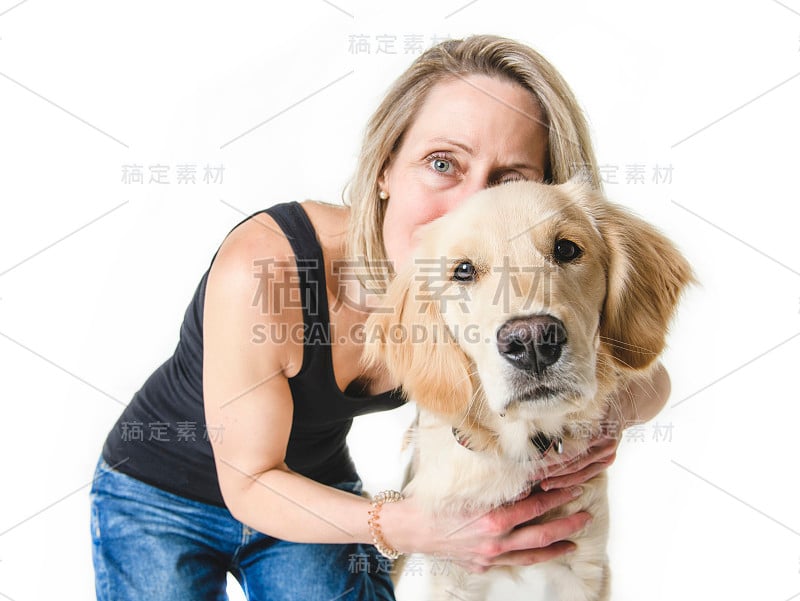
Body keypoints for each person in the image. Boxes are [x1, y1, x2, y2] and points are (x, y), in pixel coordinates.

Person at [90, 34, 672, 600]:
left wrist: (604, 419)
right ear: (386, 168)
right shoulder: (267, 269)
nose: (470, 205)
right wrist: (412, 527)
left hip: (309, 490)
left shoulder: (482, 297)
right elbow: (247, 481)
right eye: (443, 163)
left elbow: (647, 372)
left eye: (509, 180)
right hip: (159, 490)